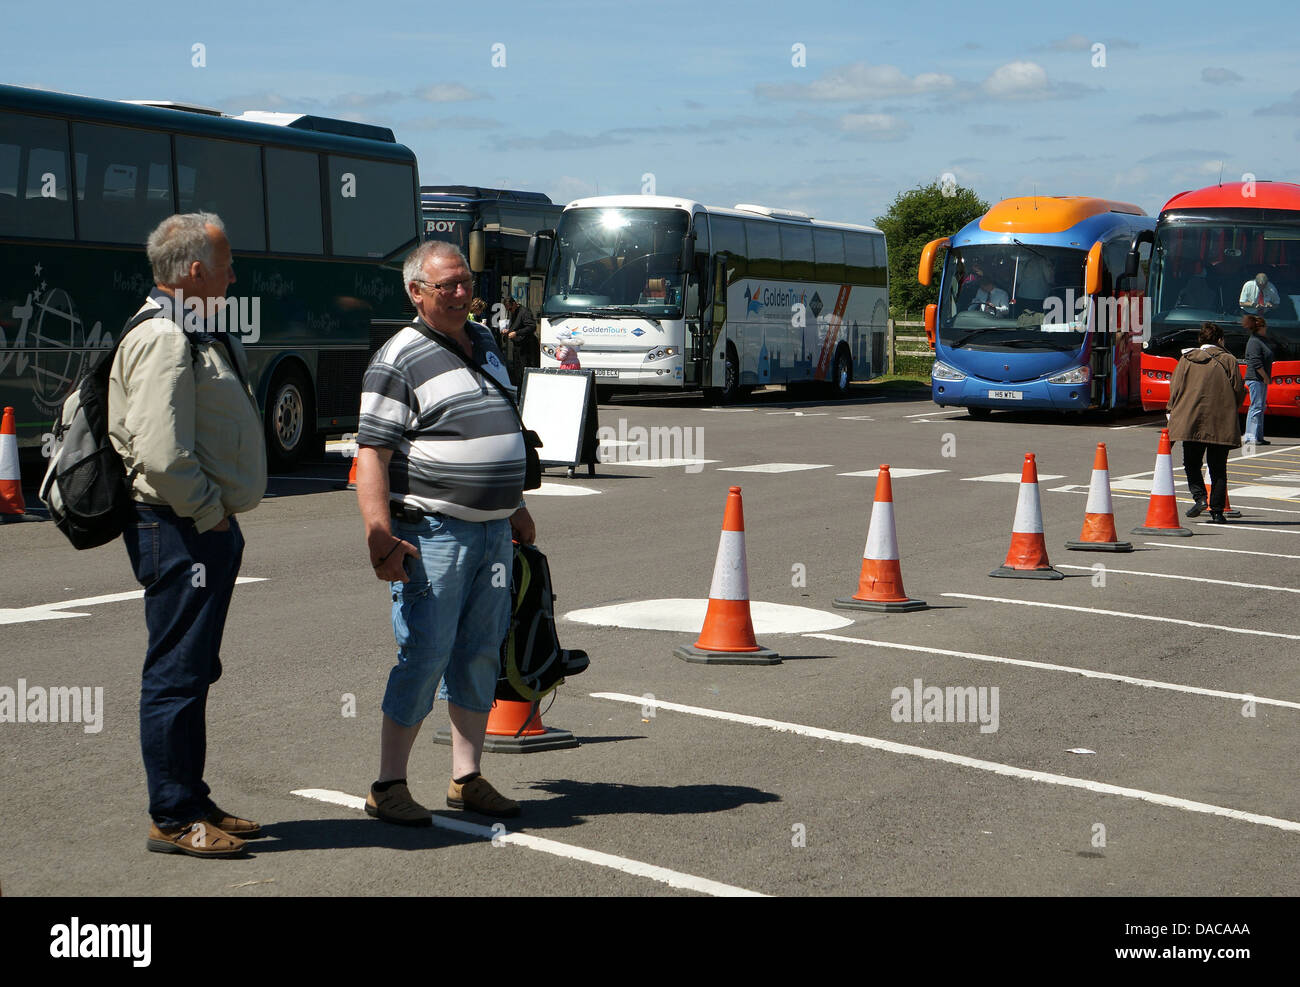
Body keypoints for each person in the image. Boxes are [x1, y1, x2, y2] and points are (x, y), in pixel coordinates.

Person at [355, 240, 536, 826]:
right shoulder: (398, 358)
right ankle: (388, 785)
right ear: (416, 293)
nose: (462, 294)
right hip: (432, 530)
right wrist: (380, 535)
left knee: (481, 653)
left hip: (491, 532)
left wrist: (515, 506)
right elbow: (372, 456)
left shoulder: (485, 341)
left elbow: (500, 422)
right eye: (447, 286)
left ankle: (466, 777)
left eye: (466, 282)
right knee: (424, 653)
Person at [108, 212, 267, 857]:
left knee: (194, 671)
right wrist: (210, 513)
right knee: (176, 674)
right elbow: (161, 452)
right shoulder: (167, 338)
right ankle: (173, 816)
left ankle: (192, 799)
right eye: (227, 265)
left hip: (191, 528)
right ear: (196, 270)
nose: (235, 276)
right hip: (179, 529)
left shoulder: (189, 326)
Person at [1166, 322, 1247, 523]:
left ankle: (1200, 497)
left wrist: (1171, 411)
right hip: (1221, 421)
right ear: (1220, 340)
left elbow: (1175, 389)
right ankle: (1217, 512)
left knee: (1191, 463)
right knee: (1218, 467)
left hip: (1191, 420)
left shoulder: (1186, 359)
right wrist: (1230, 409)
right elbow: (1238, 391)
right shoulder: (1229, 360)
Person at [1242, 315, 1273, 445]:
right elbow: (1255, 361)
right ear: (1260, 327)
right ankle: (1250, 437)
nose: (1266, 328)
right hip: (1256, 379)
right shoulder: (1254, 341)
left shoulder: (1261, 340)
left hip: (1260, 379)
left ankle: (1258, 436)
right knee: (1255, 407)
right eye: (1265, 326)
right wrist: (1265, 377)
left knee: (1260, 407)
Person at [501, 296, 538, 385]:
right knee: (517, 372)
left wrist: (516, 333)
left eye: (510, 308)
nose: (509, 311)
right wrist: (508, 331)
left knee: (524, 371)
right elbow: (516, 326)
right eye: (508, 310)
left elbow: (532, 326)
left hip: (526, 347)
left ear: (514, 304)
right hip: (517, 346)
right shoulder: (513, 312)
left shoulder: (524, 312)